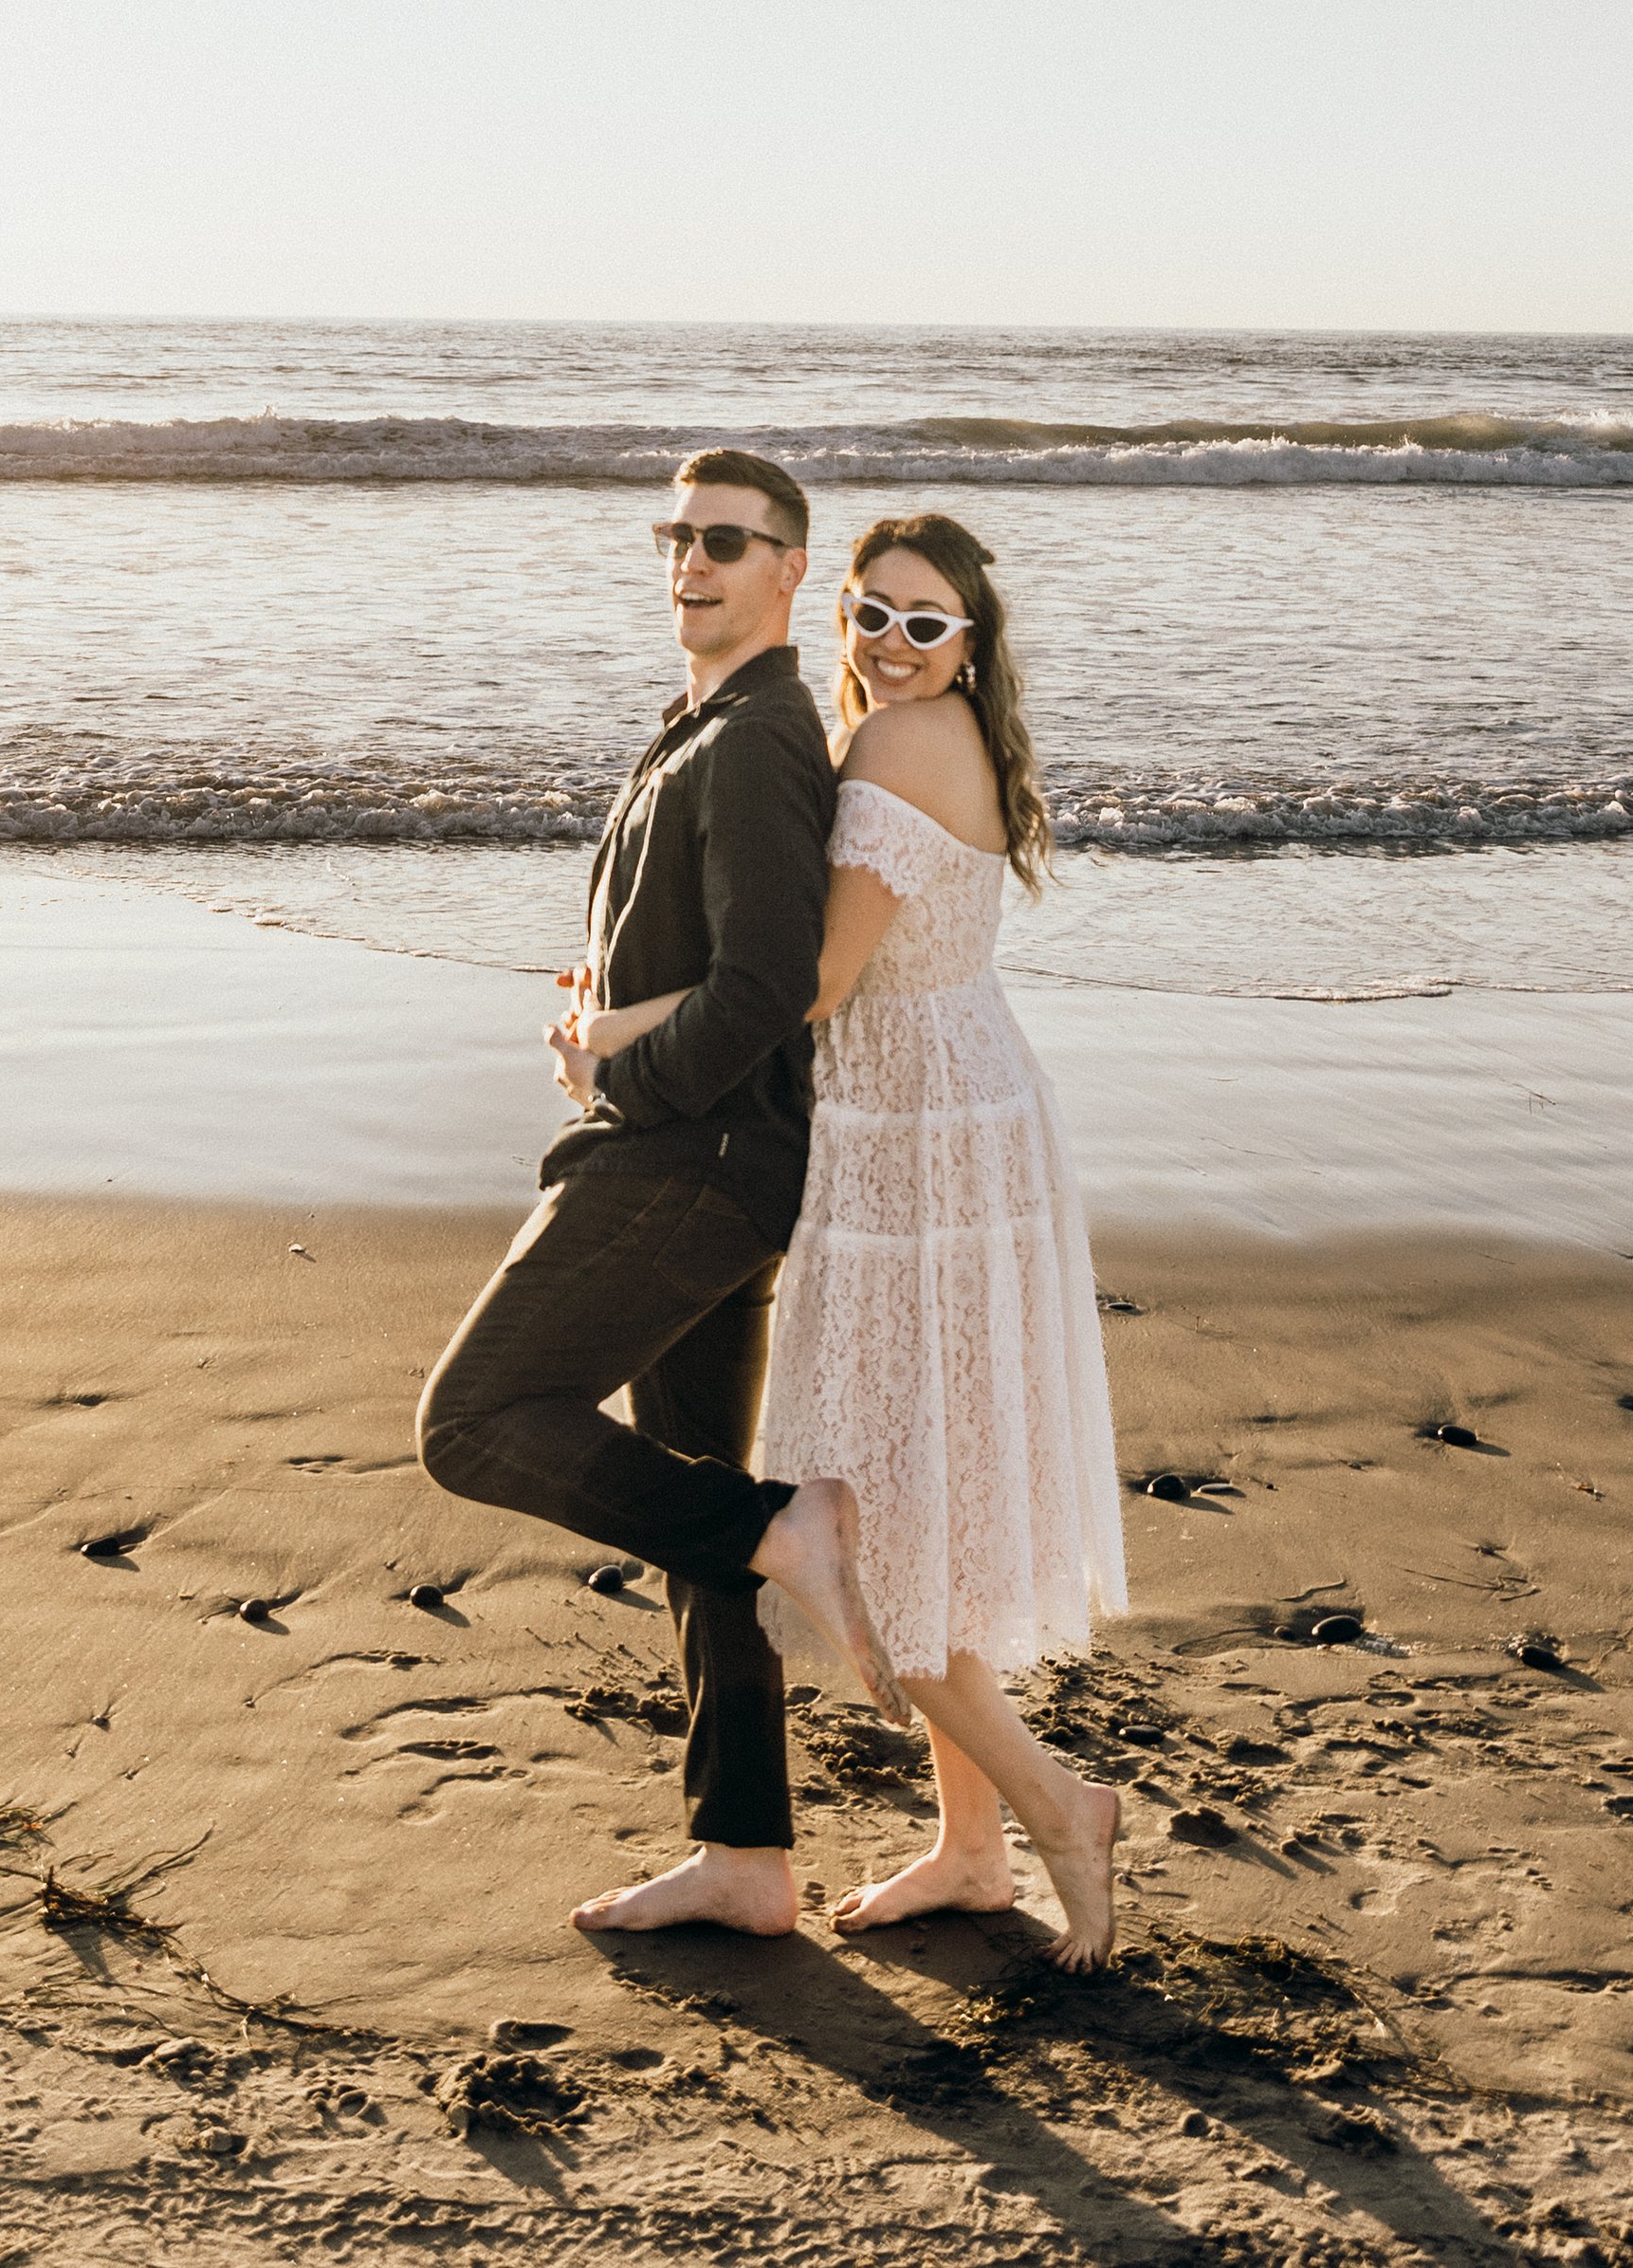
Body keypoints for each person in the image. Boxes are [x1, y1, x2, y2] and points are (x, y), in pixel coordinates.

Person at [578, 510, 1128, 1969]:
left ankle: (1063, 1806)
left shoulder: (896, 748)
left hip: (919, 1154)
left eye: (924, 620)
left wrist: (620, 1031)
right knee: (927, 1491)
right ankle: (970, 1850)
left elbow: (816, 982)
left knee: (872, 1527)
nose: (891, 639)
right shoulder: (936, 737)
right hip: (949, 1118)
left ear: (971, 642)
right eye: (873, 613)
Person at [416, 447, 908, 1944]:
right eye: (676, 534)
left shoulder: (760, 738)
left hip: (690, 1158)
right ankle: (747, 1854)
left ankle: (786, 1527)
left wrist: (618, 1078)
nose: (691, 558)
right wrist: (604, 1010)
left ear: (788, 572)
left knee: (476, 1420)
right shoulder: (702, 719)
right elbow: (699, 954)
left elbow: (767, 987)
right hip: (691, 1147)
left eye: (727, 539)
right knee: (689, 1487)